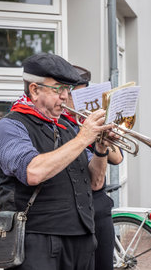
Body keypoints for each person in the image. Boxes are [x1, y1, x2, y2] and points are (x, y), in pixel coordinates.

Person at [0, 53, 114, 270]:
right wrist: (84, 138)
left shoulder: (66, 127)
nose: (65, 96)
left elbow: (95, 183)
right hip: (39, 242)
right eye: (58, 89)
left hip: (81, 239)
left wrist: (101, 147)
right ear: (35, 90)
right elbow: (32, 172)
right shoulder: (9, 126)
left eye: (68, 89)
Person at [61, 65, 123, 270]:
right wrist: (84, 134)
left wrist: (103, 136)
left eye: (84, 95)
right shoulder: (59, 123)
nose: (79, 103)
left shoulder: (90, 121)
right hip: (73, 209)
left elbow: (118, 158)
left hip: (99, 207)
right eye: (74, 96)